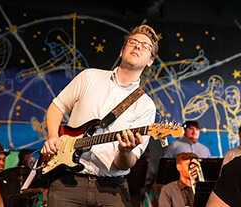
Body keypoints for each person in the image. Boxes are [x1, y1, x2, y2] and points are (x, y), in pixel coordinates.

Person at [40, 24, 158, 207]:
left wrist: (125, 151)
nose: (137, 46)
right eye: (133, 42)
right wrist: (52, 136)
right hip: (66, 182)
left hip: (111, 190)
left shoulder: (146, 105)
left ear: (150, 61)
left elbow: (125, 164)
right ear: (121, 51)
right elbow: (57, 106)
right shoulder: (89, 77)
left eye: (145, 46)